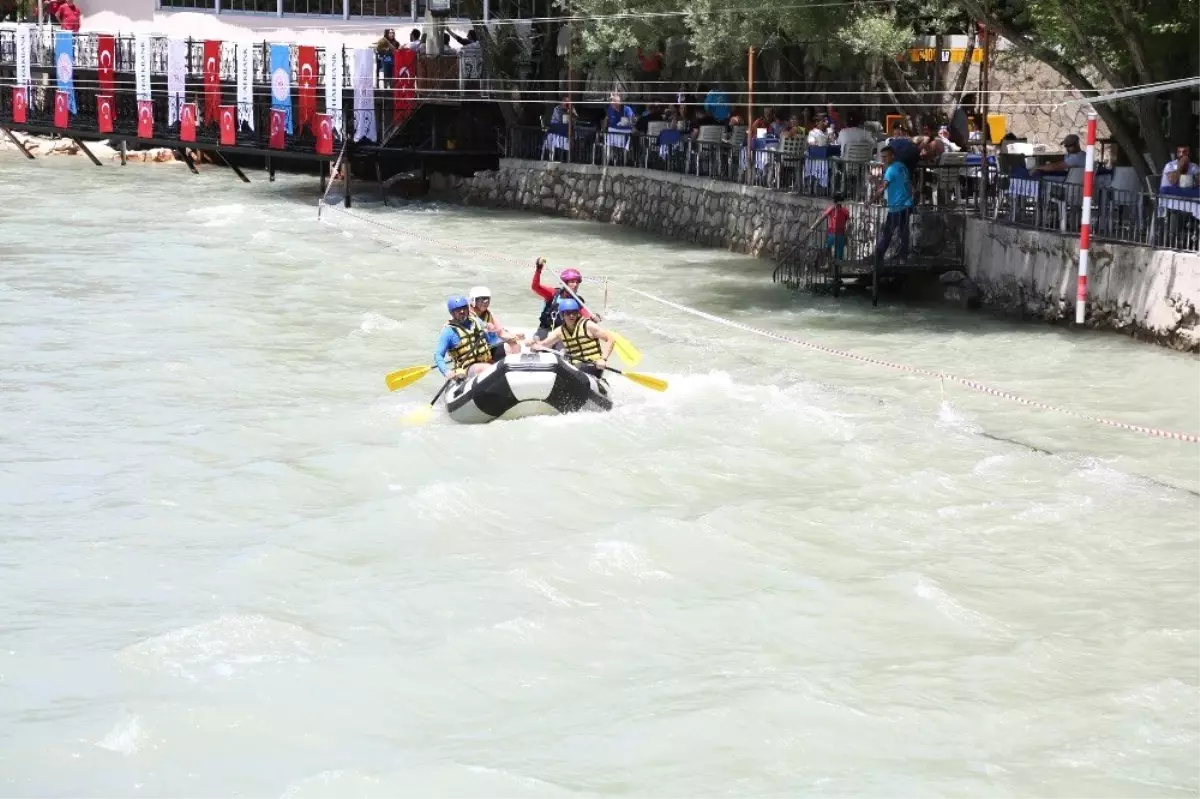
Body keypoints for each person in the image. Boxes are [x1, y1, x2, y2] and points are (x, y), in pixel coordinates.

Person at [531, 298, 615, 379]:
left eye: (574, 313)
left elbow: (610, 339)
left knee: (577, 368)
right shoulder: (559, 331)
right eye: (568, 313)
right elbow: (544, 344)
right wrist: (536, 346)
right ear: (562, 315)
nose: (571, 316)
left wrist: (603, 359)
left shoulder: (587, 325)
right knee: (567, 367)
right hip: (575, 368)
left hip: (593, 365)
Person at [530, 257, 599, 339]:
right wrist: (539, 268)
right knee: (535, 343)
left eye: (577, 282)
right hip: (545, 328)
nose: (575, 285)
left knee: (562, 349)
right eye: (572, 282)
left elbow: (586, 316)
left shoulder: (578, 301)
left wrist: (593, 319)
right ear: (565, 283)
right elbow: (535, 287)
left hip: (562, 332)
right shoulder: (553, 294)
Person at [434, 295, 494, 381]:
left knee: (508, 348)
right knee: (485, 368)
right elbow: (438, 355)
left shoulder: (476, 322)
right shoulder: (448, 331)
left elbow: (489, 341)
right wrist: (446, 371)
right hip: (467, 369)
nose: (462, 311)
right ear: (452, 313)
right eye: (458, 310)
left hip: (485, 361)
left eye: (464, 308)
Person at [872, 145, 913, 266]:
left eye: (885, 157)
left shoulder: (891, 170)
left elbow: (882, 188)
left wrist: (870, 201)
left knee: (888, 233)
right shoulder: (902, 166)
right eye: (882, 157)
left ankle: (878, 258)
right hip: (906, 204)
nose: (883, 159)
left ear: (892, 156)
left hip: (897, 207)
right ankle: (902, 258)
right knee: (903, 233)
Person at [469, 285, 522, 362]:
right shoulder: (466, 315)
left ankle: (516, 367)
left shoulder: (489, 315)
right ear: (473, 300)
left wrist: (516, 336)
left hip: (489, 347)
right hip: (475, 351)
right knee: (504, 348)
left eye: (487, 299)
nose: (486, 301)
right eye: (482, 299)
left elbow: (502, 333)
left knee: (513, 343)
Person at [819, 194, 850, 260]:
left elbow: (822, 217)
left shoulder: (835, 209)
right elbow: (848, 223)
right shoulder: (844, 211)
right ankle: (834, 266)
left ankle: (831, 264)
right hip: (837, 234)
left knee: (828, 248)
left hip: (835, 233)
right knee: (837, 252)